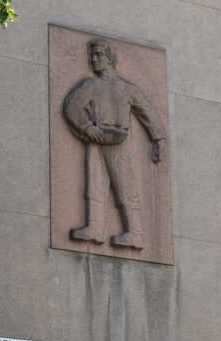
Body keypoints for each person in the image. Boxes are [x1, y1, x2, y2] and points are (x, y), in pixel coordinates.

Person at [63, 39, 165, 250]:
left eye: (99, 55)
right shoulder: (91, 85)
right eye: (92, 55)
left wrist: (158, 138)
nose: (93, 59)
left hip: (118, 140)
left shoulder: (127, 89)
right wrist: (86, 127)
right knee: (95, 184)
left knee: (125, 185)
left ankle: (135, 234)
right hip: (95, 137)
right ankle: (94, 228)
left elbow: (147, 112)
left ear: (110, 59)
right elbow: (72, 107)